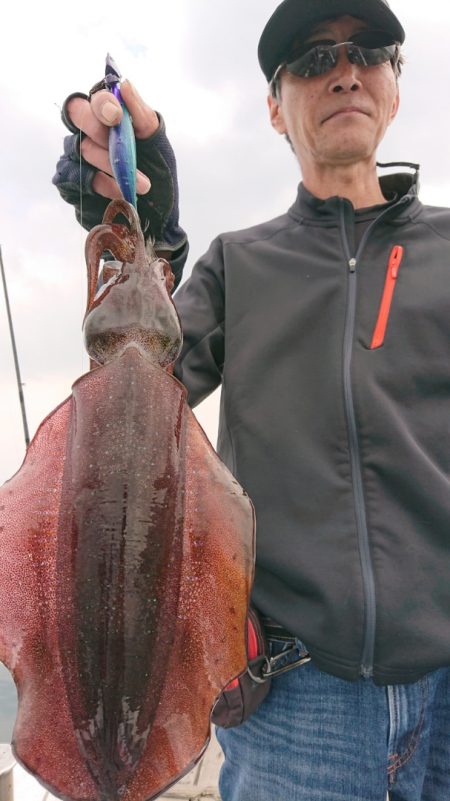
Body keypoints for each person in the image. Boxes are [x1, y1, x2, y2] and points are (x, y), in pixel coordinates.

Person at [53, 1, 450, 798]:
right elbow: (142, 377)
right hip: (298, 701)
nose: (343, 70)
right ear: (275, 107)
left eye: (367, 51)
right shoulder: (240, 264)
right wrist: (149, 228)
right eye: (310, 60)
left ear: (395, 88)